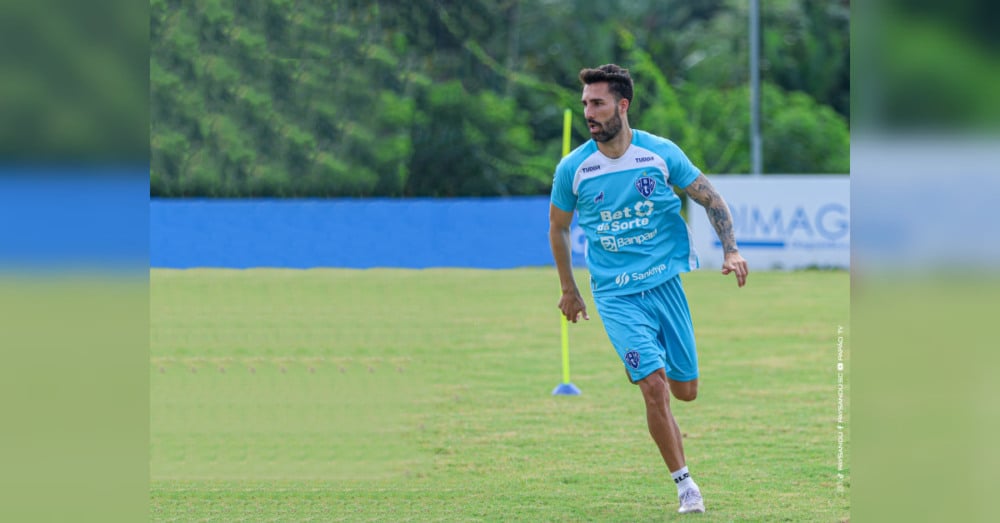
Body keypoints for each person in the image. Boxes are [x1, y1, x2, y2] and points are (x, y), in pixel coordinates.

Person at [548, 64, 748, 515]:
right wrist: (569, 289)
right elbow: (558, 228)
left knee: (685, 390)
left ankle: (644, 363)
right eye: (585, 104)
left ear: (622, 105)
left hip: (665, 286)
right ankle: (685, 486)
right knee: (654, 387)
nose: (589, 113)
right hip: (615, 295)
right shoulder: (573, 168)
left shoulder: (659, 154)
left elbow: (709, 198)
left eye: (597, 103)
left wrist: (731, 250)